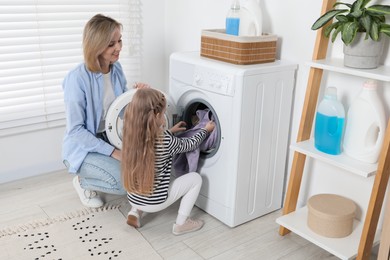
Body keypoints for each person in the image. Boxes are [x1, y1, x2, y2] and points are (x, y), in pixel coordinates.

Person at [62, 14, 148, 208]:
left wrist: (136, 96)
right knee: (123, 183)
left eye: (119, 41)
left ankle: (102, 169)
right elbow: (76, 131)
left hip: (110, 136)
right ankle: (83, 182)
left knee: (143, 169)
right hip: (83, 147)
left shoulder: (116, 69)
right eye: (111, 44)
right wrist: (113, 153)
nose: (118, 48)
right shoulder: (77, 79)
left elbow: (120, 111)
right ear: (96, 45)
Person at [121, 88, 215, 235]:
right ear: (157, 116)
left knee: (143, 172)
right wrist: (205, 130)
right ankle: (181, 224)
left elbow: (153, 140)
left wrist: (170, 131)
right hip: (156, 202)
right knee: (195, 179)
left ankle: (135, 212)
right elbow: (189, 144)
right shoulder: (165, 140)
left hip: (133, 198)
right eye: (164, 113)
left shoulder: (130, 136)